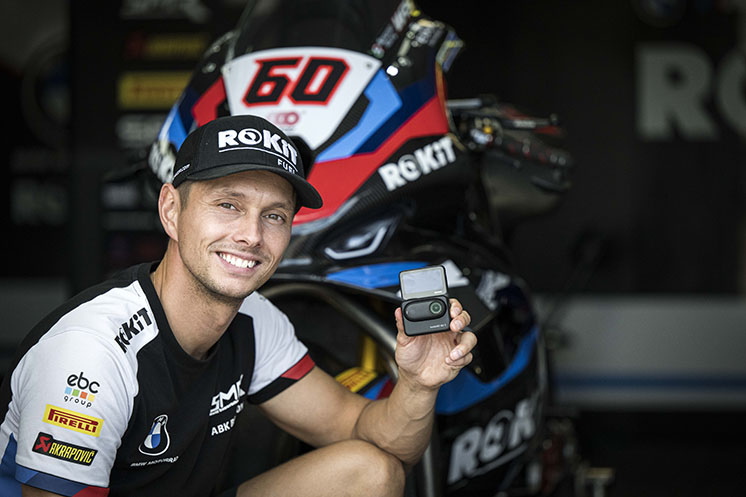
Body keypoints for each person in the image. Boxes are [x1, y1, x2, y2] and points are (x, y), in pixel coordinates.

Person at [0, 114, 476, 497]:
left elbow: (370, 436)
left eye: (274, 215)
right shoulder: (90, 352)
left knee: (371, 471)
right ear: (171, 210)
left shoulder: (254, 318)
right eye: (228, 204)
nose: (251, 235)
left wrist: (417, 383)